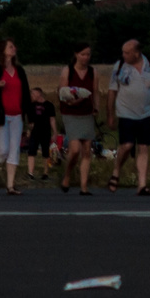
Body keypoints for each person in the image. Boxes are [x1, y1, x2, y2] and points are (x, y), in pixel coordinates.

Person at [107, 39, 150, 196]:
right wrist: (110, 114)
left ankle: (142, 184)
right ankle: (116, 170)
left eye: (126, 52)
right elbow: (112, 91)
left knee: (143, 147)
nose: (123, 55)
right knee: (126, 145)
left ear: (136, 53)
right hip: (125, 113)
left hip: (145, 114)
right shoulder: (120, 66)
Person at [0, 40, 29, 196]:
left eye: (14, 46)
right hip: (1, 114)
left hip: (17, 115)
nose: (14, 48)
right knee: (3, 149)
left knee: (14, 149)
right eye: (10, 46)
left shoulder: (19, 70)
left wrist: (29, 116)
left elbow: (26, 93)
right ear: (2, 51)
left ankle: (10, 185)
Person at [58, 44, 99, 194]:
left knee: (87, 150)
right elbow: (62, 93)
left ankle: (83, 185)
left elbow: (95, 91)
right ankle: (67, 175)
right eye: (83, 54)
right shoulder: (67, 71)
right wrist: (72, 100)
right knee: (75, 149)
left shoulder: (93, 72)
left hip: (86, 113)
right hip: (70, 112)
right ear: (76, 54)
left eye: (88, 54)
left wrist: (96, 107)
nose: (86, 58)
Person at [24, 87, 55, 180]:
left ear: (39, 94)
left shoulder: (49, 105)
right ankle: (30, 172)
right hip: (35, 131)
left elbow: (52, 119)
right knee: (31, 151)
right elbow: (30, 121)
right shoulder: (31, 106)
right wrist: (30, 129)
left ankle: (45, 172)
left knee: (46, 152)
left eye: (33, 94)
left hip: (46, 131)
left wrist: (55, 132)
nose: (32, 96)